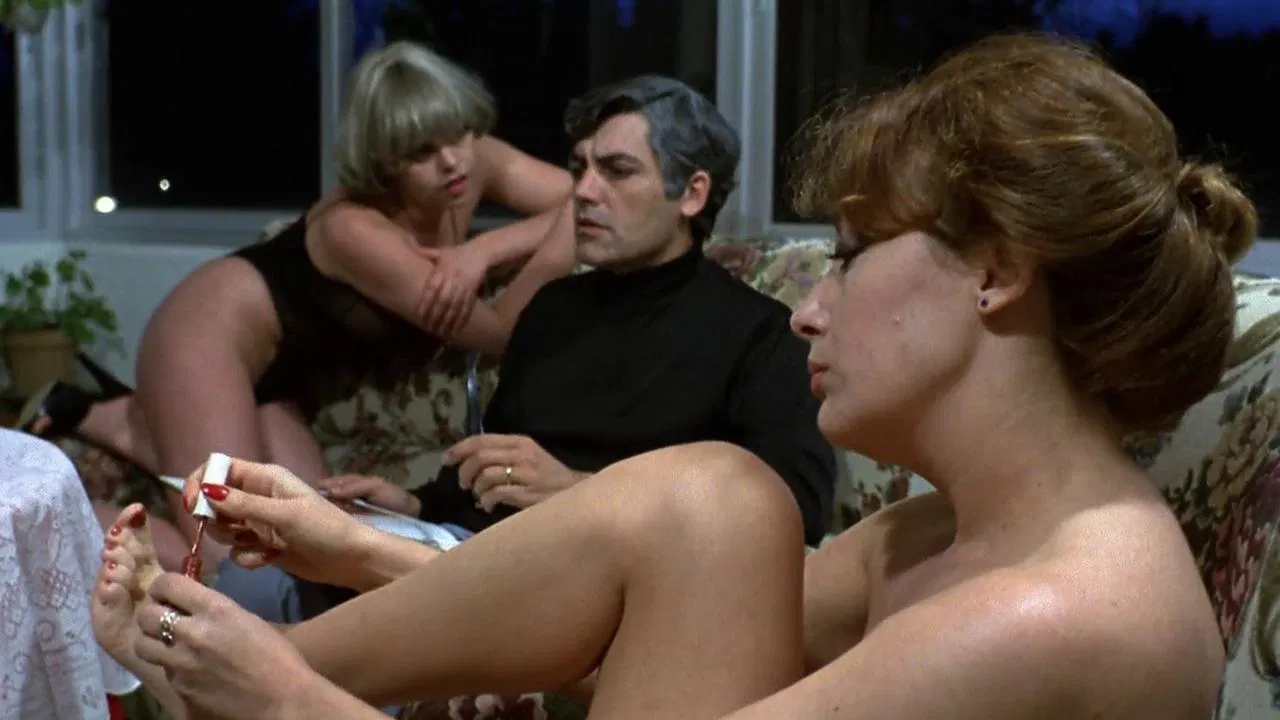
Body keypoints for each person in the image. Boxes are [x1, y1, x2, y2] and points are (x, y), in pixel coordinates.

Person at [93, 33, 1249, 720]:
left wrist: (287, 703)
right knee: (716, 503)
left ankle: (224, 688)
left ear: (993, 271)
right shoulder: (940, 533)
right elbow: (650, 611)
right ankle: (202, 681)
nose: (811, 306)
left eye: (850, 256)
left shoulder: (1053, 610)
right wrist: (347, 546)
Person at [19, 40, 576, 571]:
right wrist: (511, 251)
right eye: (421, 153)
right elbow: (499, 333)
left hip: (286, 375)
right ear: (385, 162)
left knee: (310, 549)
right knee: (225, 559)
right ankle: (34, 516)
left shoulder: (469, 158)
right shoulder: (358, 231)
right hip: (206, 339)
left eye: (459, 134)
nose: (452, 161)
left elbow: (586, 196)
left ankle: (109, 416)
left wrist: (485, 249)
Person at [321, 74, 835, 549]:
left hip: (612, 577)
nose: (584, 192)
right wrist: (413, 506)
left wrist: (580, 491)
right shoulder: (553, 308)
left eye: (617, 171)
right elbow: (493, 474)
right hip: (480, 553)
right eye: (580, 169)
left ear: (691, 194)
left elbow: (796, 510)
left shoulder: (761, 336)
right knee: (305, 546)